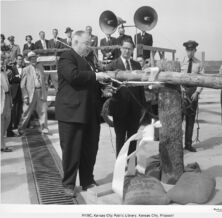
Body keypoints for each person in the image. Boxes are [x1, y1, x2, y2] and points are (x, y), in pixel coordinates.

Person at [55, 30, 110, 197]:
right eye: (87, 43)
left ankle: (87, 180)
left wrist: (104, 90)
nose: (89, 46)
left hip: (90, 114)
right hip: (72, 114)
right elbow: (73, 76)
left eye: (91, 43)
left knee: (90, 149)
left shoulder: (89, 61)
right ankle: (69, 184)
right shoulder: (67, 57)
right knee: (71, 151)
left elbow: (92, 83)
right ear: (75, 41)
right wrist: (96, 75)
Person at [105, 38, 146, 156]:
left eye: (129, 49)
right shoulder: (112, 66)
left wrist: (143, 106)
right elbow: (106, 86)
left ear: (133, 50)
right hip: (119, 109)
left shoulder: (136, 64)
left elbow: (140, 87)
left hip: (134, 110)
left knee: (133, 138)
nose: (127, 51)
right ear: (120, 48)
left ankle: (131, 168)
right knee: (120, 140)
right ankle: (121, 168)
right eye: (125, 48)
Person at [180, 40, 204, 152]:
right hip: (182, 92)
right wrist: (181, 90)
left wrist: (197, 92)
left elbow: (202, 80)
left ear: (195, 50)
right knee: (178, 120)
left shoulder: (199, 63)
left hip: (193, 93)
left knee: (190, 120)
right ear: (186, 50)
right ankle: (177, 144)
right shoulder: (181, 62)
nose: (190, 52)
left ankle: (188, 144)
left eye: (192, 50)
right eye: (188, 50)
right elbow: (177, 77)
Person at [18, 51, 48, 135]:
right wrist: (25, 96)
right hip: (30, 94)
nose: (33, 59)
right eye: (31, 58)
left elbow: (45, 80)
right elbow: (22, 85)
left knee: (43, 111)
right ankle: (21, 128)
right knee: (26, 112)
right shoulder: (26, 69)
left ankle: (44, 128)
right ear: (29, 60)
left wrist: (45, 89)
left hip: (41, 92)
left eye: (34, 58)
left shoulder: (40, 67)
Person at [6, 54, 24, 136]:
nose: (20, 60)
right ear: (16, 60)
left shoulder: (24, 68)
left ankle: (18, 127)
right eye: (19, 59)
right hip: (14, 92)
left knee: (20, 110)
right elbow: (10, 80)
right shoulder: (12, 68)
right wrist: (18, 77)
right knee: (13, 111)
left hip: (23, 92)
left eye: (21, 59)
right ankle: (12, 128)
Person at [1, 55, 13, 152]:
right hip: (1, 99)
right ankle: (2, 145)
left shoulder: (4, 71)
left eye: (2, 59)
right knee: (1, 121)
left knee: (8, 119)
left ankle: (1, 142)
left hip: (7, 97)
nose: (1, 61)